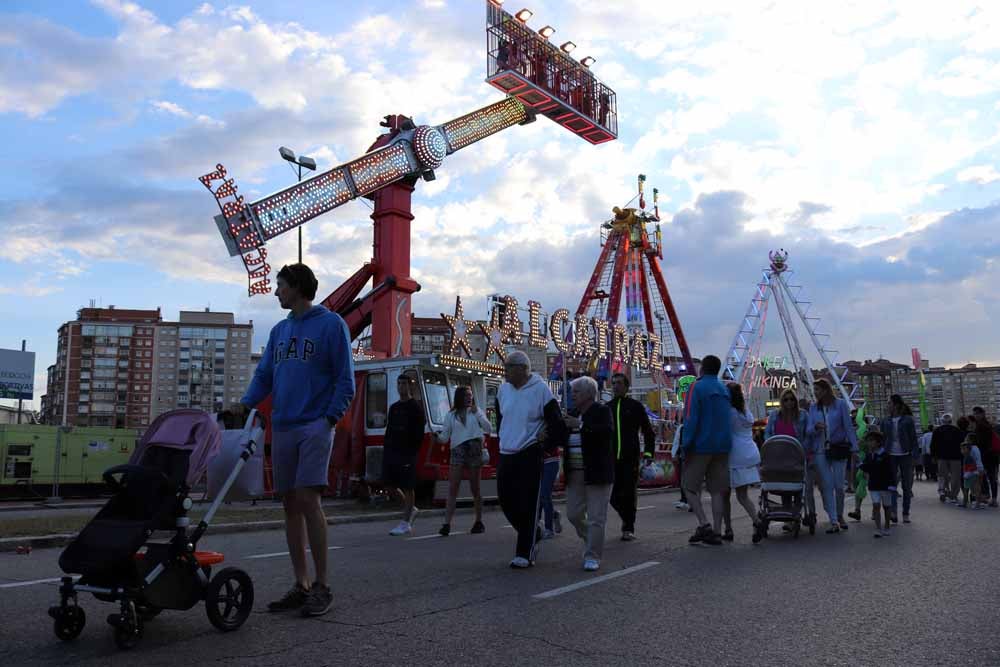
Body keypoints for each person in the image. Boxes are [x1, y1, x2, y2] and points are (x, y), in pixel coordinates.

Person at [236, 263, 355, 618]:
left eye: (281, 286)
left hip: (314, 425)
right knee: (289, 503)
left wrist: (328, 420)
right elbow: (264, 376)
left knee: (307, 499)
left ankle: (322, 585)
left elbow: (344, 379)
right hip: (283, 426)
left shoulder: (331, 325)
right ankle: (300, 584)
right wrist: (243, 405)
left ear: (299, 287)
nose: (276, 292)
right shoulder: (279, 331)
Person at [496, 350, 567, 569]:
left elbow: (558, 425)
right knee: (506, 501)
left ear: (521, 369)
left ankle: (524, 553)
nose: (504, 371)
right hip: (506, 452)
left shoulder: (541, 390)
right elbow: (501, 419)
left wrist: (543, 443)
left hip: (529, 452)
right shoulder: (502, 390)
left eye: (508, 367)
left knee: (528, 504)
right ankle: (533, 532)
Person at [563, 376, 616, 571]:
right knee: (573, 514)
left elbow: (606, 433)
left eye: (576, 391)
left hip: (597, 472)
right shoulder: (572, 413)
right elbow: (562, 436)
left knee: (596, 517)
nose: (573, 395)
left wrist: (581, 425)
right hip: (575, 472)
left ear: (588, 394)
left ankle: (593, 554)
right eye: (573, 391)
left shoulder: (602, 411)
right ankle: (592, 539)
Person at [681, 355, 733, 546]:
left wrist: (686, 445)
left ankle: (704, 524)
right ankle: (718, 531)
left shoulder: (696, 387)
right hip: (722, 445)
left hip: (701, 445)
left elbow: (690, 418)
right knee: (717, 490)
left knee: (689, 486)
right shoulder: (724, 389)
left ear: (702, 368)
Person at [435, 386, 491, 537]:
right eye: (467, 395)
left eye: (471, 395)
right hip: (458, 449)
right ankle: (446, 524)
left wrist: (478, 416)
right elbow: (445, 438)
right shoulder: (451, 415)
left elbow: (488, 427)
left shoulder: (476, 411)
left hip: (474, 448)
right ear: (460, 397)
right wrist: (437, 438)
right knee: (453, 487)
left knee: (475, 488)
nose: (470, 398)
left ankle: (479, 521)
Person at [607, 372, 656, 541]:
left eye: (619, 383)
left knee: (629, 494)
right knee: (612, 495)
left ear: (626, 386)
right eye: (613, 383)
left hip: (630, 459)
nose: (616, 386)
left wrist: (648, 454)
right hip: (611, 460)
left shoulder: (635, 406)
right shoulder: (607, 407)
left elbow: (649, 433)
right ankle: (625, 517)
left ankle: (628, 527)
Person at [808, 379, 858, 533]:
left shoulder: (841, 404)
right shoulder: (814, 408)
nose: (815, 392)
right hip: (821, 450)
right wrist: (816, 427)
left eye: (817, 389)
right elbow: (808, 430)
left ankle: (839, 514)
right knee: (827, 485)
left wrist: (854, 447)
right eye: (814, 390)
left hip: (838, 448)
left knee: (839, 486)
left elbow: (848, 427)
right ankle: (834, 520)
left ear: (825, 390)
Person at [384, 374, 427, 536]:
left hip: (407, 453)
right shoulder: (394, 408)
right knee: (389, 485)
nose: (401, 386)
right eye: (399, 383)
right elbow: (389, 430)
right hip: (392, 451)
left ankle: (405, 522)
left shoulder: (415, 407)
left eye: (404, 383)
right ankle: (411, 509)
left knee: (408, 486)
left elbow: (419, 432)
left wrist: (412, 451)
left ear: (410, 386)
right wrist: (386, 448)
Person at [721, 383, 761, 543]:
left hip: (734, 455)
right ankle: (756, 521)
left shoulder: (729, 413)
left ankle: (728, 529)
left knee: (724, 495)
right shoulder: (746, 412)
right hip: (749, 453)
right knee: (743, 495)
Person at [879, 394, 918, 524]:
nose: (887, 405)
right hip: (891, 455)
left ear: (896, 405)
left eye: (889, 403)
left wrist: (914, 456)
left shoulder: (907, 420)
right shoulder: (885, 421)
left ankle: (906, 513)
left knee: (906, 486)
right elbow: (882, 439)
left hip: (905, 455)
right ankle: (893, 512)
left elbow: (913, 438)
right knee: (892, 486)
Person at [859, 431, 895, 538]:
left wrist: (892, 484)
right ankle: (878, 529)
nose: (869, 443)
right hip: (873, 485)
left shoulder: (886, 455)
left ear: (878, 442)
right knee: (876, 506)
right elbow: (866, 467)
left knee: (887, 507)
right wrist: (859, 463)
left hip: (885, 485)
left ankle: (887, 527)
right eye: (868, 441)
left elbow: (891, 471)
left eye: (871, 441)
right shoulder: (869, 455)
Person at [932, 414, 964, 503]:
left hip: (942, 457)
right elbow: (962, 443)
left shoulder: (937, 430)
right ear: (951, 421)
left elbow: (933, 444)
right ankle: (953, 495)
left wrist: (934, 456)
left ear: (942, 421)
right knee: (955, 477)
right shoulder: (957, 430)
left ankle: (943, 491)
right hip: (956, 457)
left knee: (942, 476)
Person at [972, 406, 999, 507]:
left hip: (985, 455)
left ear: (982, 414)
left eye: (977, 413)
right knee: (992, 478)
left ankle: (987, 496)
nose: (975, 415)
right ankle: (993, 498)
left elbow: (981, 442)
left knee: (984, 477)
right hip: (993, 455)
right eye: (975, 414)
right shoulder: (988, 424)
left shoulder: (981, 426)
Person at [539, 436, 563, 539]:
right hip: (536, 461)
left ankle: (549, 529)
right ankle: (554, 515)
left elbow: (557, 436)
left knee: (544, 494)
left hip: (550, 460)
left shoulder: (550, 421)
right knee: (538, 495)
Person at [960, 434, 985, 509]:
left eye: (966, 438)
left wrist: (968, 472)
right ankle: (974, 503)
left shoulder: (970, 451)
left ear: (970, 440)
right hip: (977, 470)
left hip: (973, 472)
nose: (962, 451)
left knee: (972, 488)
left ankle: (970, 503)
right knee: (974, 487)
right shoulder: (976, 448)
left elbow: (973, 463)